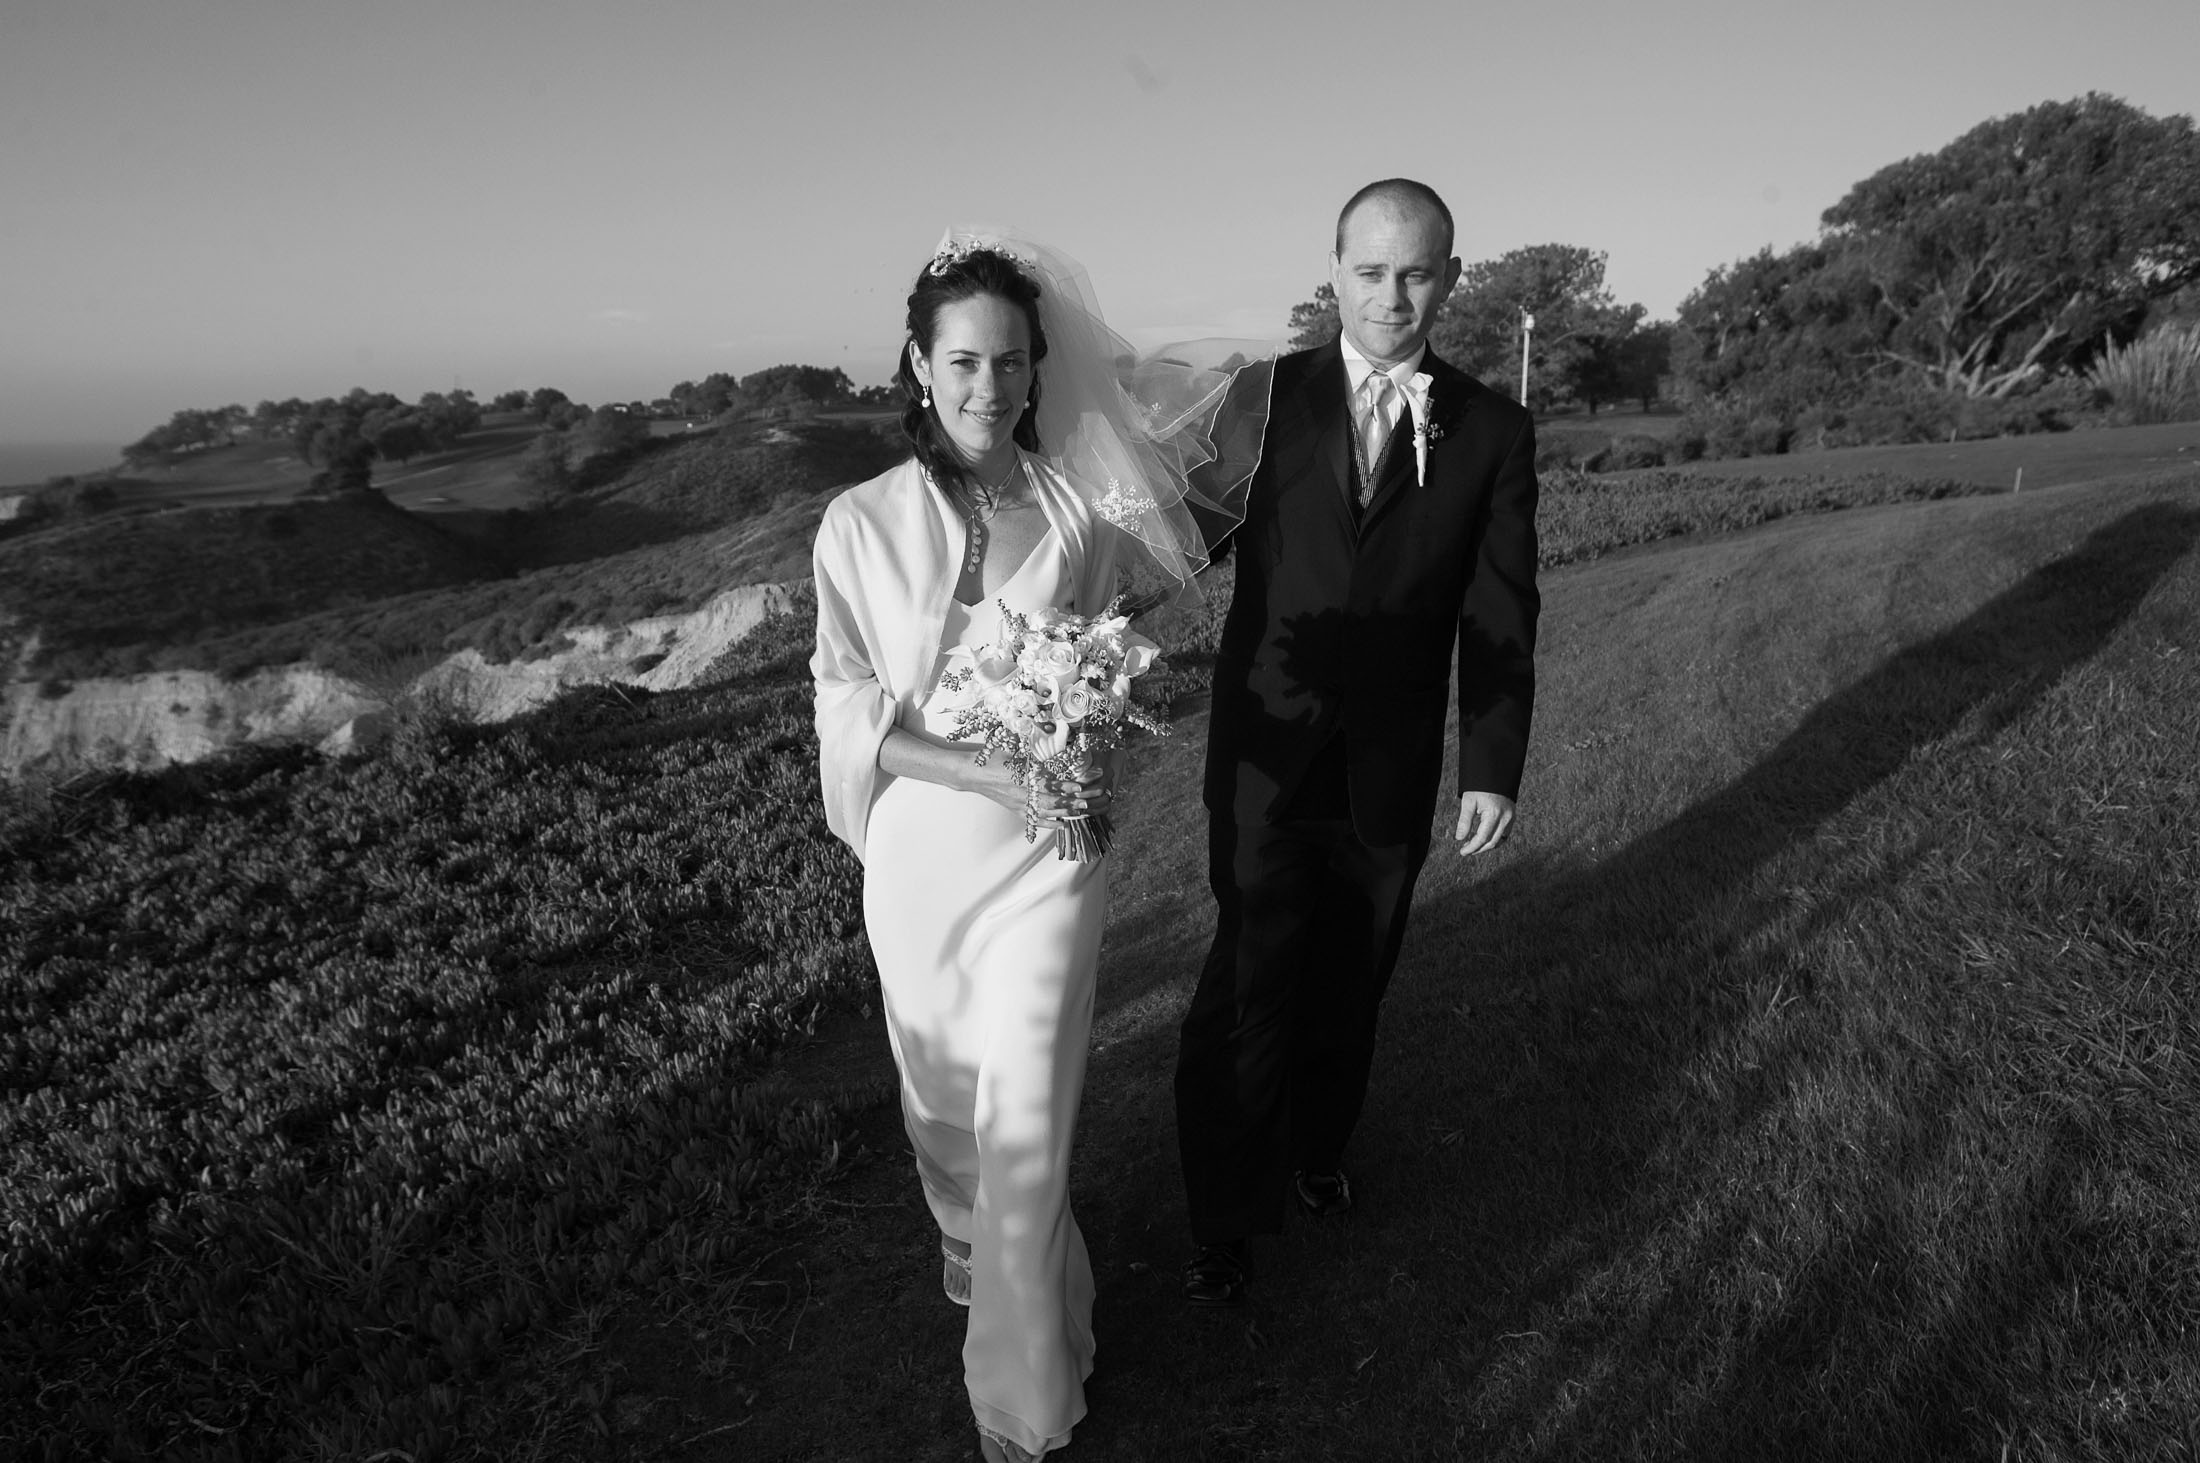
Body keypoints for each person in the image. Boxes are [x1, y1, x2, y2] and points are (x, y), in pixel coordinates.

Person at [812, 233, 1268, 1460]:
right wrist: (972, 762)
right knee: (948, 1100)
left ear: (1036, 368)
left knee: (1026, 1106)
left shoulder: (1081, 502)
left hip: (1050, 853)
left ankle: (1018, 1391)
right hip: (919, 858)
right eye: (963, 360)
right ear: (918, 362)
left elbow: (1126, 623)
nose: (989, 387)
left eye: (1012, 362)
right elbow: (848, 706)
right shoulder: (854, 525)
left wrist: (1085, 712)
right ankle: (965, 1228)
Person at [1173, 178, 1542, 1307]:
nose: (1393, 297)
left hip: (1390, 762)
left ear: (1451, 277)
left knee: (1351, 976)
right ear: (1333, 271)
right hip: (1263, 752)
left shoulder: (1491, 427)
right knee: (1248, 976)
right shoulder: (1259, 398)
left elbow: (1498, 608)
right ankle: (1222, 1213)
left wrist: (1490, 759)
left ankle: (1318, 1151)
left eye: (1417, 271)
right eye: (1371, 271)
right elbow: (1172, 540)